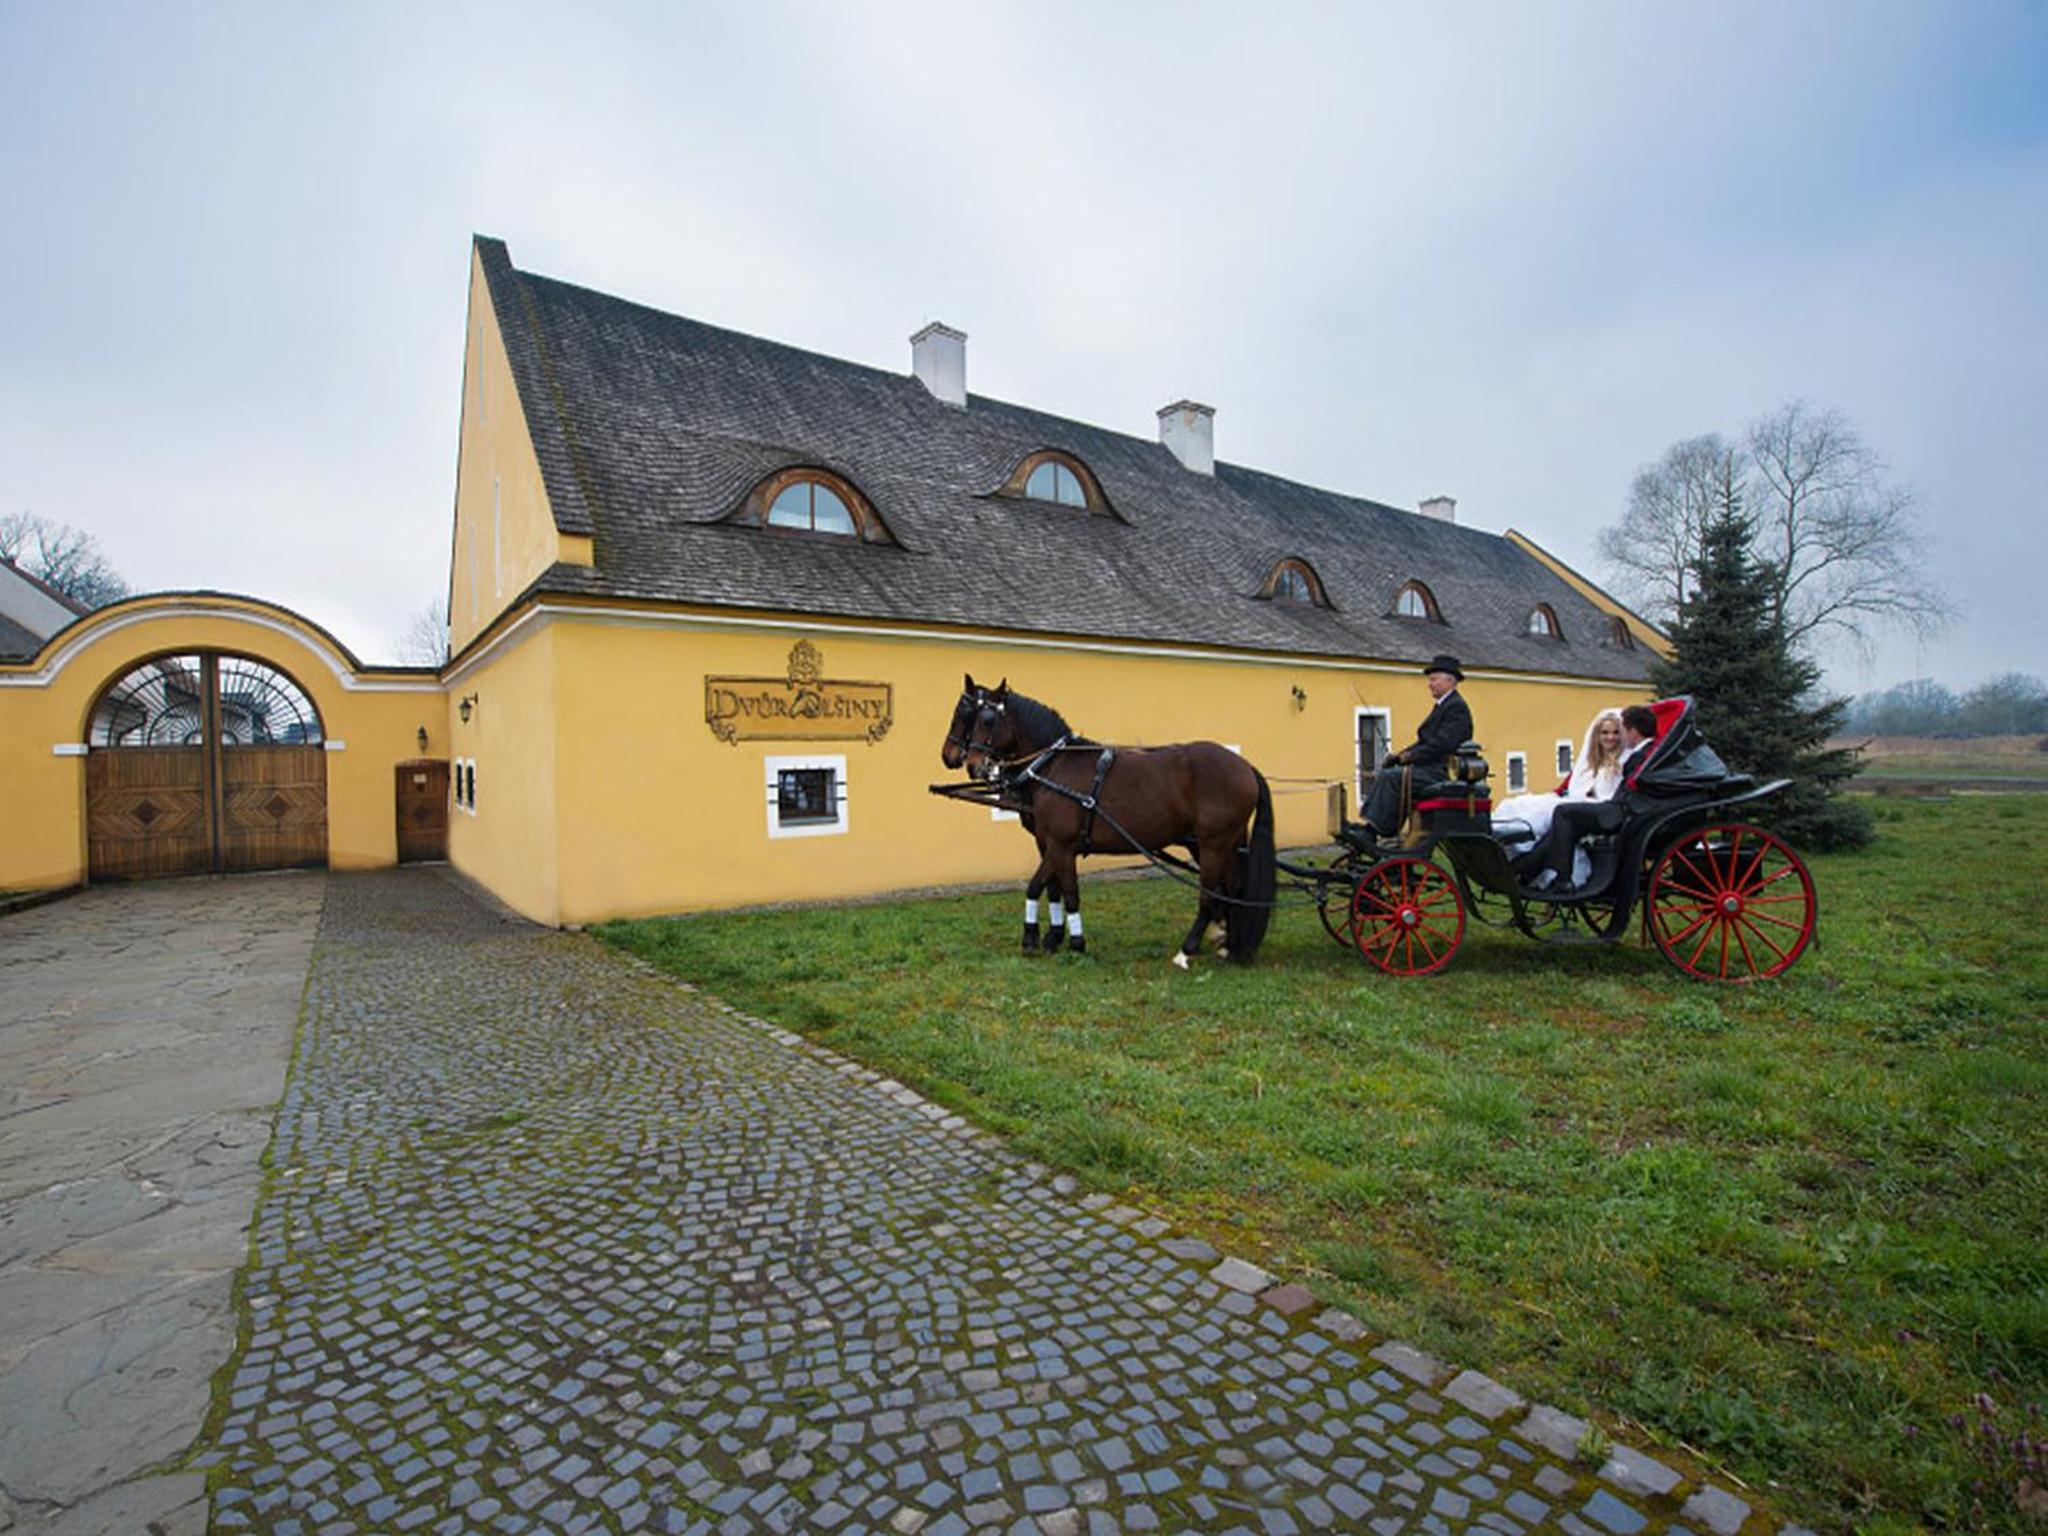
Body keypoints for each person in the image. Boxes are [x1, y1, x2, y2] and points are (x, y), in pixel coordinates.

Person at [1521, 703, 1661, 892]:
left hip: (1618, 811)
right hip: (1619, 807)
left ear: (1633, 731)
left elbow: (1628, 789)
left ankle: (1559, 877)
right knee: (1564, 821)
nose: (1619, 737)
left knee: (1563, 812)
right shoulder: (1647, 753)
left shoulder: (1641, 756)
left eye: (1622, 731)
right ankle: (1531, 869)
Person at [1359, 655, 1473, 839]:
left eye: (1434, 679)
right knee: (1389, 772)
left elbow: (1442, 744)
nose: (1430, 684)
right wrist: (1400, 756)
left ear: (1450, 681)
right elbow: (1424, 742)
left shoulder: (1456, 708)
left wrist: (1410, 757)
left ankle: (1374, 830)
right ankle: (1371, 826)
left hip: (1441, 771)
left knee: (1393, 777)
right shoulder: (1444, 706)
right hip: (1430, 769)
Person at [1493, 708, 1627, 853]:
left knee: (1547, 812)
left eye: (1615, 733)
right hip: (1575, 799)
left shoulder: (1622, 762)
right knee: (1518, 804)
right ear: (1597, 735)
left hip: (1597, 807)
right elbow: (1571, 787)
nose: (1610, 737)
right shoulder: (1588, 762)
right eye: (1605, 733)